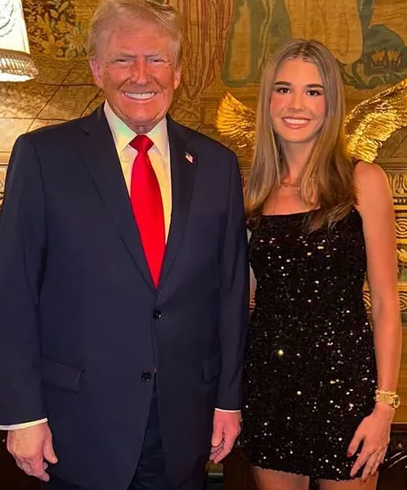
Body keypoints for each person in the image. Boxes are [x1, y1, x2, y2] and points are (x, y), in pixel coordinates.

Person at [0, 1, 249, 489]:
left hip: (185, 423)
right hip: (76, 426)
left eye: (156, 59)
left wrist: (227, 400)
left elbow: (230, 294)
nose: (141, 75)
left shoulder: (217, 166)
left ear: (177, 72)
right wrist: (22, 414)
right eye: (122, 59)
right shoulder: (43, 156)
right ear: (97, 70)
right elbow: (14, 292)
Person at [242, 39, 402, 490]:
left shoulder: (362, 181)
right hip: (269, 386)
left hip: (345, 387)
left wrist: (384, 407)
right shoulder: (251, 193)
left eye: (313, 91)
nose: (296, 104)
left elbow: (385, 303)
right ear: (268, 100)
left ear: (331, 103)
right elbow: (243, 300)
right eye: (283, 89)